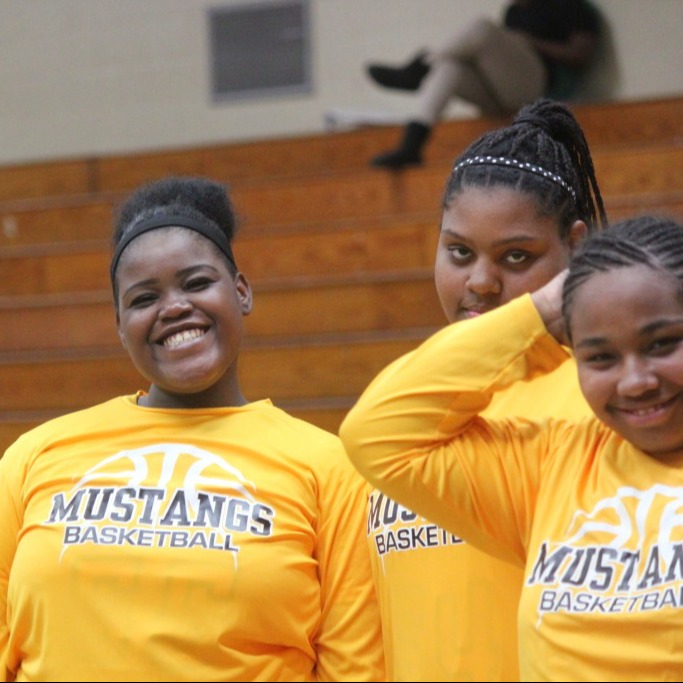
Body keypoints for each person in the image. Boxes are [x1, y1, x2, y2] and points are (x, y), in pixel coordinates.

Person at [0, 176, 386, 682]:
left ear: (241, 292)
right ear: (119, 324)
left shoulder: (328, 467)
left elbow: (355, 669)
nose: (174, 306)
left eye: (197, 283)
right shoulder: (35, 455)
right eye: (143, 298)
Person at [340, 212, 683, 681]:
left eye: (663, 344)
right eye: (600, 357)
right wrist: (541, 310)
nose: (636, 382)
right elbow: (377, 433)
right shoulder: (554, 464)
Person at [361, 97, 607, 681]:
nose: (481, 282)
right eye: (459, 252)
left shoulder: (599, 401)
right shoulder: (405, 398)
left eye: (516, 256)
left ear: (575, 245)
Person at [367, 0, 603, 169]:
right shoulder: (513, 12)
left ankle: (420, 67)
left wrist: (530, 43)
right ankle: (412, 145)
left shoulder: (569, 6)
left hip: (538, 87)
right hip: (503, 94)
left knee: (481, 28)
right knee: (450, 67)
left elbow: (581, 55)